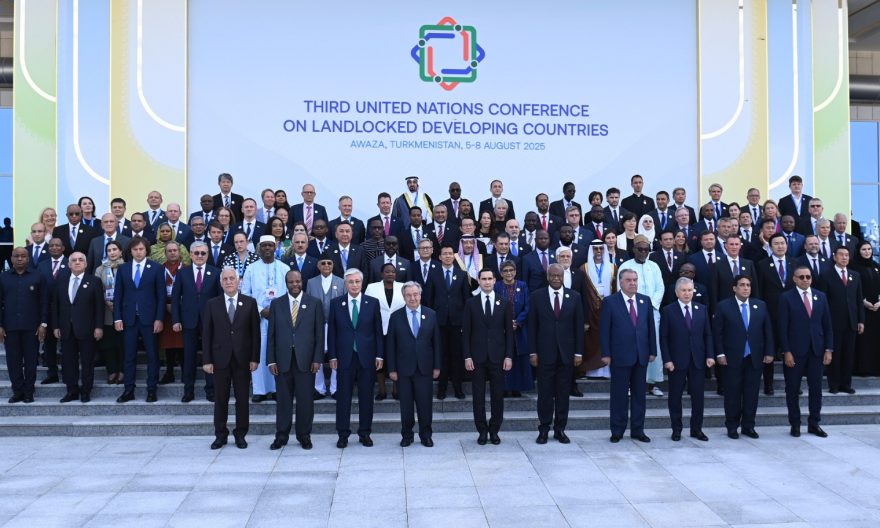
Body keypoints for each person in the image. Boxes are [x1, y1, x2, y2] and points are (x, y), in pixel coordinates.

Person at [267, 269, 325, 450]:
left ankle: (304, 436)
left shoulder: (314, 303)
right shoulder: (276, 304)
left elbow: (319, 334)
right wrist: (271, 360)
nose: (295, 285)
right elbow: (271, 334)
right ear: (286, 283)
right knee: (283, 401)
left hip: (306, 362)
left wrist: (317, 359)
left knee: (305, 401)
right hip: (282, 361)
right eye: (291, 282)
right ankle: (281, 436)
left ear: (302, 282)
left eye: (297, 281)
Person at [202, 267, 260, 449]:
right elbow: (207, 334)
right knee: (221, 399)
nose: (228, 282)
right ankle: (220, 435)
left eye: (232, 278)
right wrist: (207, 360)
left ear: (238, 281)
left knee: (242, 400)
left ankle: (240, 434)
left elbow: (255, 334)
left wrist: (255, 358)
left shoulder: (250, 303)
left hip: (243, 360)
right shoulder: (212, 304)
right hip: (220, 359)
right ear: (221, 283)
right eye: (225, 279)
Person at [328, 269, 385, 448]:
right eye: (350, 282)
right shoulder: (336, 303)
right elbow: (332, 332)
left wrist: (379, 355)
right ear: (345, 284)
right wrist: (332, 355)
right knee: (343, 398)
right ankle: (343, 434)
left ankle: (365, 433)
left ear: (362, 283)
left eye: (357, 281)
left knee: (366, 398)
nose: (354, 285)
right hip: (344, 357)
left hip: (367, 358)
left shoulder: (372, 303)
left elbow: (378, 331)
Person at [713, 275, 774, 439]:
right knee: (732, 394)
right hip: (731, 357)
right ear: (734, 288)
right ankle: (732, 426)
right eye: (742, 285)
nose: (746, 288)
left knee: (751, 394)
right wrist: (720, 353)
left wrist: (769, 352)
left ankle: (748, 426)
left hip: (754, 358)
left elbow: (767, 331)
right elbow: (717, 333)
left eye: (748, 285)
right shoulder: (724, 306)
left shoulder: (760, 305)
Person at [529, 264, 585, 444]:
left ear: (563, 277)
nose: (555, 278)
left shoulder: (574, 297)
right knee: (545, 394)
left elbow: (578, 327)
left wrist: (578, 353)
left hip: (566, 355)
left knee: (563, 394)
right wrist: (533, 352)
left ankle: (560, 429)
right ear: (547, 277)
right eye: (552, 275)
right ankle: (544, 429)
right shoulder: (537, 296)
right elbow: (532, 327)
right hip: (544, 354)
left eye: (558, 275)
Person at [601, 268, 656, 443]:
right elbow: (604, 330)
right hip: (619, 355)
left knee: (640, 395)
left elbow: (650, 327)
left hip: (641, 355)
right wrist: (606, 353)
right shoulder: (610, 302)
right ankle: (617, 430)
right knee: (619, 395)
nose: (633, 283)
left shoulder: (645, 300)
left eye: (635, 280)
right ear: (620, 282)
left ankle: (638, 430)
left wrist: (653, 350)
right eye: (629, 280)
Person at [778, 265, 833, 438]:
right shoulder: (786, 297)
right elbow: (782, 328)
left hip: (817, 350)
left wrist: (829, 349)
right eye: (801, 277)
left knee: (816, 389)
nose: (805, 280)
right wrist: (786, 351)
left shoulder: (820, 296)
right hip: (795, 351)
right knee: (792, 389)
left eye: (808, 277)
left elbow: (827, 325)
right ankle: (795, 424)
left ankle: (814, 423)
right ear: (794, 279)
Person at [386, 281, 442, 447]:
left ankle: (426, 435)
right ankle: (407, 435)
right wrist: (392, 369)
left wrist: (437, 366)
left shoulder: (431, 314)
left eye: (415, 294)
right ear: (404, 297)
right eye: (409, 295)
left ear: (420, 295)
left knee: (425, 405)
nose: (412, 298)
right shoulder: (395, 316)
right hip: (403, 369)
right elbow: (390, 345)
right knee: (406, 406)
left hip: (425, 368)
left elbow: (437, 343)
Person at [660, 277, 714, 441]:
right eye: (683, 290)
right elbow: (664, 338)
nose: (687, 293)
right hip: (676, 361)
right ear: (677, 292)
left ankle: (697, 429)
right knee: (675, 396)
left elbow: (707, 334)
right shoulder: (668, 310)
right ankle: (676, 429)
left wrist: (710, 355)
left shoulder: (701, 309)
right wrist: (667, 359)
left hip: (698, 360)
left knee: (698, 397)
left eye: (690, 290)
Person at [464, 269, 514, 445]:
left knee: (497, 396)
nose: (486, 282)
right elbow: (466, 333)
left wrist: (509, 356)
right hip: (477, 357)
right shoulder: (470, 303)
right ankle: (482, 431)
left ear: (494, 281)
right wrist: (467, 356)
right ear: (478, 281)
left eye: (489, 278)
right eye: (483, 279)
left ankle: (494, 430)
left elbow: (509, 333)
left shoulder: (504, 302)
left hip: (498, 357)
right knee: (478, 397)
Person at [114, 236, 166, 403]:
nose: (138, 252)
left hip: (150, 320)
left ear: (146, 250)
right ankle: (128, 390)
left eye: (141, 249)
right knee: (129, 356)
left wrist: (159, 319)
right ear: (130, 251)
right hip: (129, 319)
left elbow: (161, 296)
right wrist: (117, 318)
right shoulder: (123, 269)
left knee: (152, 355)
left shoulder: (156, 268)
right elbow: (118, 296)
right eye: (135, 249)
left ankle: (152, 390)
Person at [241, 235, 291, 402]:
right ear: (259, 248)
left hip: (281, 318)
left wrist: (277, 311)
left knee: (279, 352)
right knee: (260, 352)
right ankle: (260, 390)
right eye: (264, 246)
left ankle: (277, 388)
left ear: (275, 248)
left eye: (270, 245)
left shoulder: (284, 268)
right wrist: (261, 310)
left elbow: (291, 293)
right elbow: (245, 294)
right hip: (259, 318)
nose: (267, 248)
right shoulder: (251, 269)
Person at [170, 241, 221, 402]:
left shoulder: (216, 272)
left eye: (203, 253)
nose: (199, 256)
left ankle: (211, 390)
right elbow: (175, 298)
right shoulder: (182, 273)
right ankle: (188, 390)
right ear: (191, 255)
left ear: (207, 255)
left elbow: (220, 299)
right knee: (189, 356)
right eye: (196, 253)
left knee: (210, 355)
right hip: (188, 320)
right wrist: (176, 320)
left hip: (210, 321)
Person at [53, 251, 104, 403]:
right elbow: (55, 306)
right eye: (74, 260)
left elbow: (99, 307)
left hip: (87, 329)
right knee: (69, 362)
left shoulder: (94, 281)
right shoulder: (61, 281)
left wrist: (99, 327)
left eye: (80, 260)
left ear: (86, 264)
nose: (77, 262)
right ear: (69, 264)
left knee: (87, 362)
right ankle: (72, 391)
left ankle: (86, 391)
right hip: (66, 329)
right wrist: (55, 326)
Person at [618, 235, 665, 397]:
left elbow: (660, 288)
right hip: (631, 312)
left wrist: (650, 306)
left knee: (653, 344)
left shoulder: (654, 266)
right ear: (634, 249)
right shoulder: (625, 266)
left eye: (646, 249)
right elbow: (621, 288)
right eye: (640, 249)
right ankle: (632, 383)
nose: (643, 252)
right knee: (633, 346)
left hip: (652, 311)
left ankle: (653, 383)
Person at [0, 247, 49, 403]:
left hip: (32, 327)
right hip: (10, 327)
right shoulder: (3, 277)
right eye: (16, 256)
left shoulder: (38, 276)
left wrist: (43, 324)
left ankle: (29, 392)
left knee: (30, 361)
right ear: (11, 258)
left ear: (28, 258)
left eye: (23, 256)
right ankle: (18, 391)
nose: (20, 259)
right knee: (13, 362)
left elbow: (44, 302)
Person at [755, 234, 796, 396]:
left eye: (782, 243)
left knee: (790, 350)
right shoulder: (762, 264)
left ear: (787, 245)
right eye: (776, 244)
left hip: (791, 315)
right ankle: (768, 384)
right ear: (770, 246)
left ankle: (791, 384)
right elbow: (759, 291)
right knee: (769, 350)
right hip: (770, 315)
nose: (780, 246)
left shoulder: (795, 263)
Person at [821, 246, 865, 394]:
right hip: (833, 322)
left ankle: (846, 384)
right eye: (841, 255)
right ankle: (834, 384)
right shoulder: (826, 275)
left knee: (848, 354)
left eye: (847, 255)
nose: (844, 257)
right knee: (835, 354)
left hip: (851, 322)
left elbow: (858, 299)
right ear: (834, 257)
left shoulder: (855, 275)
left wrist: (861, 320)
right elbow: (823, 301)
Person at [432, 245, 472, 399]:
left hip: (457, 322)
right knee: (442, 355)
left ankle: (458, 388)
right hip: (439, 321)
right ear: (440, 257)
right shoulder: (434, 274)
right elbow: (429, 298)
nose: (448, 256)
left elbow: (467, 299)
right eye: (445, 254)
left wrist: (465, 321)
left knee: (457, 355)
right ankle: (441, 389)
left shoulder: (462, 275)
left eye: (450, 253)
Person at [305, 254, 345, 400]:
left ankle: (335, 389)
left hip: (336, 324)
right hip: (317, 324)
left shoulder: (341, 282)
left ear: (333, 265)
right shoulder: (311, 282)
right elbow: (308, 303)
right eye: (323, 263)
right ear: (318, 266)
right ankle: (319, 388)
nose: (326, 265)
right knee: (317, 355)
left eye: (329, 263)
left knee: (336, 355)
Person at [364, 263, 406, 401]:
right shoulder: (372, 287)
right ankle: (382, 391)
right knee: (379, 359)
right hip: (378, 328)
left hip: (398, 329)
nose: (390, 274)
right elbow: (367, 307)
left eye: (393, 272)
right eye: (387, 271)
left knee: (397, 359)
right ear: (382, 274)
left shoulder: (403, 287)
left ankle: (396, 390)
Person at [577, 240, 617, 379]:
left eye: (601, 248)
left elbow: (615, 289)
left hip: (608, 310)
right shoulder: (584, 268)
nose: (598, 251)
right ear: (591, 250)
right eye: (595, 249)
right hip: (590, 311)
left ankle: (606, 371)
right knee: (592, 341)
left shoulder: (612, 267)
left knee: (607, 338)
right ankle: (591, 371)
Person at [495, 261, 534, 396]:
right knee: (504, 356)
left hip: (520, 328)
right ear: (501, 273)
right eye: (505, 271)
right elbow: (495, 306)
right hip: (502, 329)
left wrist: (517, 321)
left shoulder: (522, 285)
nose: (509, 273)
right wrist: (506, 323)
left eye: (511, 270)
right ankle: (505, 388)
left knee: (518, 357)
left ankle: (517, 388)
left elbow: (528, 307)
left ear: (515, 271)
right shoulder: (497, 286)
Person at [94, 240, 125, 385]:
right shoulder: (100, 269)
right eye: (109, 250)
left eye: (115, 249)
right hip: (106, 310)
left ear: (120, 252)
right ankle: (112, 371)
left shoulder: (126, 267)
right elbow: (96, 289)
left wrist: (119, 302)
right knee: (108, 344)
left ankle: (122, 371)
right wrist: (106, 301)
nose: (112, 252)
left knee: (122, 343)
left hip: (123, 311)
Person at [37, 238, 67, 384]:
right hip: (47, 310)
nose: (54, 248)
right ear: (48, 248)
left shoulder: (71, 262)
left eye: (57, 245)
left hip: (66, 310)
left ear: (63, 248)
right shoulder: (41, 265)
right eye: (52, 245)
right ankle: (52, 373)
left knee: (67, 343)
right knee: (49, 344)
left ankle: (67, 372)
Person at [158, 242, 186, 385]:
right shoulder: (160, 269)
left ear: (179, 252)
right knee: (168, 342)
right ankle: (169, 372)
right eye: (169, 251)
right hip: (166, 310)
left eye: (175, 250)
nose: (172, 253)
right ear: (165, 253)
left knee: (182, 342)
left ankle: (185, 371)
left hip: (183, 309)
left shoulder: (186, 268)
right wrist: (166, 305)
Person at [852, 241, 880, 376]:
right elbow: (853, 288)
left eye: (869, 249)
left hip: (877, 309)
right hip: (862, 309)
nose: (867, 252)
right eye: (864, 249)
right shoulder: (854, 266)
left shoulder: (876, 266)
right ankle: (864, 368)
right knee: (864, 340)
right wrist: (863, 302)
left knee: (876, 338)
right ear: (858, 251)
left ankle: (876, 368)